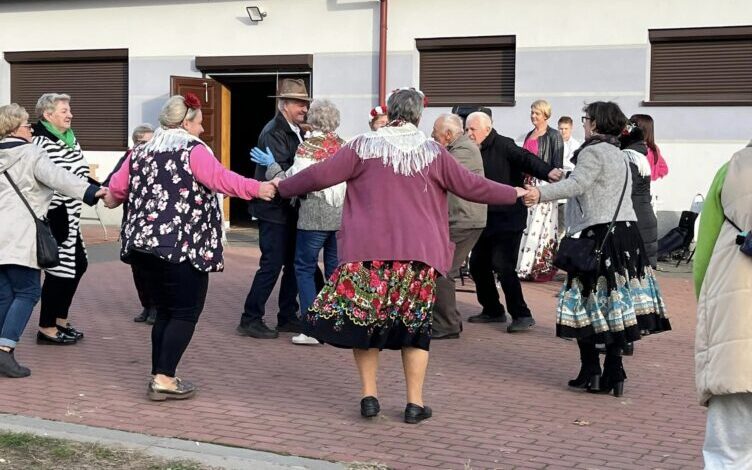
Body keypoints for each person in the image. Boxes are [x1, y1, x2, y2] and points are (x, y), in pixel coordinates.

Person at [272, 88, 526, 423]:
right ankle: (414, 403)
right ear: (419, 115)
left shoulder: (362, 146)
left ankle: (369, 396)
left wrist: (279, 187)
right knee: (414, 328)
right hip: (416, 259)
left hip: (367, 256)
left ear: (391, 111)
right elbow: (471, 186)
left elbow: (319, 175)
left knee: (366, 325)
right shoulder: (432, 151)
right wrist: (515, 193)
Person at [103, 94, 276, 401]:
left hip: (142, 246)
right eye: (198, 123)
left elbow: (116, 191)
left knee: (165, 312)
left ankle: (160, 374)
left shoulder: (140, 151)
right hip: (181, 245)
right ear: (185, 123)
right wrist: (258, 188)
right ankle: (165, 378)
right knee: (184, 312)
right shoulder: (192, 150)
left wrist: (109, 198)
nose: (201, 130)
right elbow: (222, 180)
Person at [522, 101, 671, 396]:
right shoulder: (621, 155)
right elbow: (593, 183)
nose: (584, 123)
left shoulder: (592, 152)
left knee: (584, 302)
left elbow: (578, 186)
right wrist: (563, 176)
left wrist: (538, 193)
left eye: (586, 119)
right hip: (626, 237)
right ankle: (614, 370)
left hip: (598, 235)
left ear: (597, 123)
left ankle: (591, 369)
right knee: (616, 304)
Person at [0, 103, 102, 377]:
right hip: (21, 237)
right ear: (15, 129)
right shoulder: (31, 153)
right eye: (26, 125)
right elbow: (59, 178)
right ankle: (5, 350)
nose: (30, 129)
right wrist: (93, 193)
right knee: (28, 292)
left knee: (5, 294)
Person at [251, 99, 346, 346]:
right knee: (334, 268)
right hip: (339, 217)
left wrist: (271, 167)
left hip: (313, 217)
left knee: (304, 267)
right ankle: (336, 322)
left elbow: (291, 185)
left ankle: (311, 327)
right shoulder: (345, 146)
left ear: (313, 120)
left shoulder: (308, 149)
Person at [464, 111, 561, 333]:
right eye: (467, 129)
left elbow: (526, 159)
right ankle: (492, 309)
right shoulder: (470, 148)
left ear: (486, 129)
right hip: (485, 217)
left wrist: (549, 172)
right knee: (478, 265)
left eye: (473, 130)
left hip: (508, 218)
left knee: (503, 265)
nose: (469, 133)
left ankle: (522, 315)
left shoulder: (504, 145)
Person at [694, 140, 752, 469]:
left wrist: (710, 314)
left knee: (728, 452)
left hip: (736, 327)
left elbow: (702, 260)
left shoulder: (729, 171)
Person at [239, 79, 312, 339]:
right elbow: (285, 171)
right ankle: (250, 318)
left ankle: (287, 315)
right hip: (274, 209)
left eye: (305, 103)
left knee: (292, 264)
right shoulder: (274, 131)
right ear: (284, 104)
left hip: (287, 209)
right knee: (272, 264)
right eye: (300, 103)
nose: (304, 108)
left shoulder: (294, 129)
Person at [32, 93, 98, 345]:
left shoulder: (70, 139)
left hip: (73, 214)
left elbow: (78, 173)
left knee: (78, 265)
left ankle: (60, 319)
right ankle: (46, 327)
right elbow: (52, 177)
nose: (70, 114)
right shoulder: (40, 142)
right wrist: (92, 191)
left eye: (69, 110)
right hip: (54, 214)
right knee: (58, 271)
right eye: (64, 111)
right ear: (48, 115)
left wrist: (100, 188)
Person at [429, 113, 486, 340]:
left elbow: (442, 174)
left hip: (464, 220)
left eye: (435, 135)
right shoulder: (457, 147)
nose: (433, 139)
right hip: (460, 218)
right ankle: (449, 320)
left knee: (442, 270)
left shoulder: (463, 150)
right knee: (442, 269)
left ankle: (446, 323)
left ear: (449, 135)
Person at [103, 124, 157, 324]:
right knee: (137, 267)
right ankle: (146, 306)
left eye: (151, 142)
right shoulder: (128, 158)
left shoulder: (159, 158)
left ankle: (157, 308)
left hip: (153, 221)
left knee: (153, 266)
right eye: (143, 142)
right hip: (132, 220)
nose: (147, 146)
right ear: (135, 143)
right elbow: (112, 182)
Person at [517, 100, 564, 282]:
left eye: (536, 113)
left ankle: (537, 266)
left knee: (540, 226)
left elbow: (557, 166)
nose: (533, 116)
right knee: (526, 225)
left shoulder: (554, 136)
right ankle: (522, 265)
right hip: (527, 182)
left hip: (543, 184)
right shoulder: (530, 134)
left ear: (545, 115)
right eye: (532, 112)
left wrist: (550, 186)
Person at [620, 123, 658, 268]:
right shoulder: (639, 158)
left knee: (635, 269)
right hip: (645, 215)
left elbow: (627, 189)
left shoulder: (628, 159)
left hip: (635, 219)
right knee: (645, 269)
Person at [557, 116, 581, 240]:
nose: (563, 131)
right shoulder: (554, 142)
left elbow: (572, 165)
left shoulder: (576, 145)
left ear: (571, 128)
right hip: (555, 186)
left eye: (566, 129)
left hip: (567, 187)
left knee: (566, 223)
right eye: (560, 129)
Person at [630, 114, 668, 181]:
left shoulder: (635, 149)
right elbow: (663, 168)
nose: (628, 128)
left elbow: (663, 168)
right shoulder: (653, 148)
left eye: (631, 126)